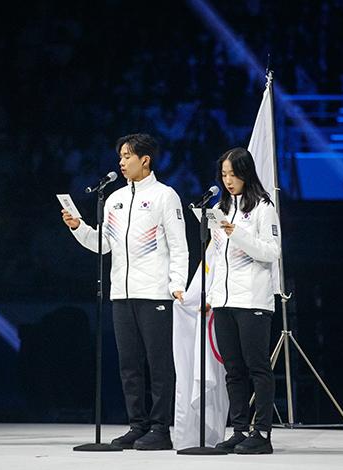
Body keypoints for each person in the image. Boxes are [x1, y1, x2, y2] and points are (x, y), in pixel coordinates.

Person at [62, 133, 188, 450]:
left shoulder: (165, 196)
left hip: (155, 293)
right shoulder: (115, 199)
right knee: (129, 364)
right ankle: (137, 424)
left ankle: (160, 428)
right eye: (120, 156)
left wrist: (176, 285)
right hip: (121, 293)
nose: (121, 162)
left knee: (158, 364)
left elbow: (179, 246)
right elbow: (104, 245)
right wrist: (79, 228)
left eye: (127, 156)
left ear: (145, 160)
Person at [206, 147, 281, 454]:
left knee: (257, 368)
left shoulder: (263, 207)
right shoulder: (222, 207)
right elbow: (215, 256)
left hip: (253, 300)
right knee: (233, 369)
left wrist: (236, 233)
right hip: (224, 301)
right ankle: (239, 429)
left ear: (246, 173)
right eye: (223, 175)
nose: (228, 180)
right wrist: (210, 294)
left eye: (233, 174)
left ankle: (262, 433)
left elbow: (271, 252)